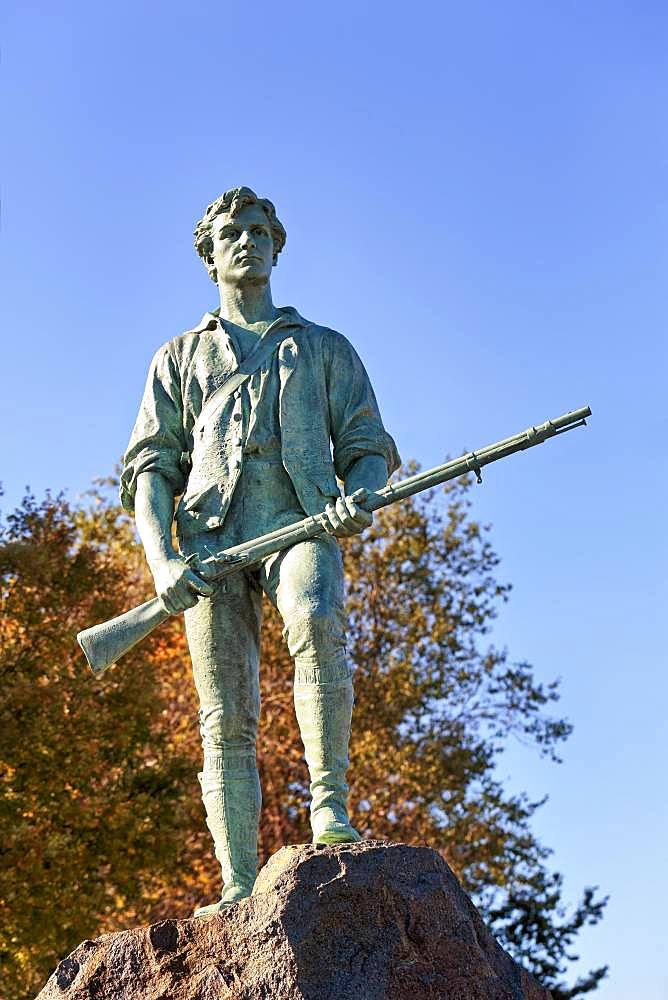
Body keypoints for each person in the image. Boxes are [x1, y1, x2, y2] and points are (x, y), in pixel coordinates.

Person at [119, 186, 400, 917]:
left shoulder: (325, 348)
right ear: (209, 254)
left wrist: (357, 492)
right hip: (209, 546)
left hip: (300, 525)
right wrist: (162, 560)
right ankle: (239, 881)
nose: (245, 241)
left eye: (257, 230)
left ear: (277, 245)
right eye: (230, 233)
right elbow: (150, 469)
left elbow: (370, 448)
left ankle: (329, 810)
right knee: (224, 712)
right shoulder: (178, 358)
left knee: (315, 616)